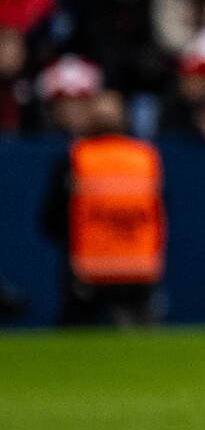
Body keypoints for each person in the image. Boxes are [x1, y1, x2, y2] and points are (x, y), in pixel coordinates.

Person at [38, 73, 165, 327]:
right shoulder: (145, 158)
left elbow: (52, 221)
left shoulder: (76, 159)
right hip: (137, 271)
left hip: (89, 273)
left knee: (76, 352)